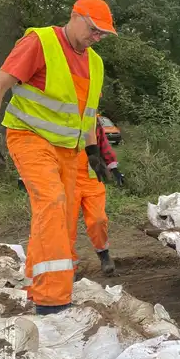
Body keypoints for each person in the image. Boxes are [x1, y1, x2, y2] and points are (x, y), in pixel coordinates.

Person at [0, 0, 117, 315]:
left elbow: (87, 114)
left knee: (60, 219)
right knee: (51, 202)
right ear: (75, 16)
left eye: (103, 34)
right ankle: (52, 300)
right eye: (94, 30)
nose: (97, 37)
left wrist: (93, 153)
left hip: (68, 151)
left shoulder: (95, 63)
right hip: (29, 138)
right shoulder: (41, 42)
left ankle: (37, 282)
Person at [70, 117, 124, 276]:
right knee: (66, 226)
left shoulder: (92, 118)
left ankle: (104, 255)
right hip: (67, 181)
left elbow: (103, 144)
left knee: (98, 220)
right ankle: (69, 269)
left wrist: (113, 168)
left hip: (92, 179)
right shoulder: (59, 116)